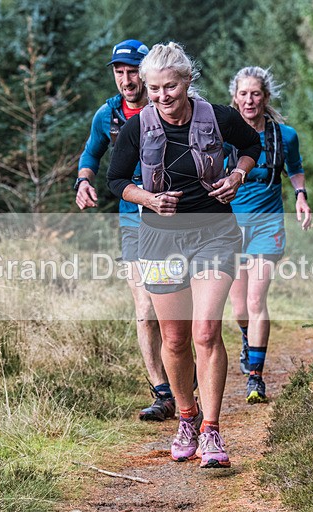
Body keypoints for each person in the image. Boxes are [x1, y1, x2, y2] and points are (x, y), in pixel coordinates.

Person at [106, 42, 261, 468]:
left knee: (206, 332)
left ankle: (212, 431)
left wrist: (237, 174)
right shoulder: (139, 127)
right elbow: (116, 179)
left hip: (214, 232)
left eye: (169, 86)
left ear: (187, 81)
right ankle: (187, 418)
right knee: (174, 339)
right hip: (159, 237)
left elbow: (252, 145)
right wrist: (149, 200)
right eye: (153, 88)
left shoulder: (219, 116)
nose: (160, 96)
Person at [75, 39, 174, 422]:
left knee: (174, 311)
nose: (126, 79)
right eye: (119, 72)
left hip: (173, 217)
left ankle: (182, 371)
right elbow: (91, 154)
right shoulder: (108, 114)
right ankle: (162, 392)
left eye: (132, 71)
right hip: (132, 220)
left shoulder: (166, 106)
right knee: (145, 308)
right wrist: (83, 182)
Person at [226, 66, 312, 404]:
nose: (250, 100)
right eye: (244, 94)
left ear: (266, 97)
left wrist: (301, 197)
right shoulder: (223, 133)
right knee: (238, 310)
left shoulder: (284, 135)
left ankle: (255, 377)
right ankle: (249, 340)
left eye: (256, 93)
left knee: (255, 300)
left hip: (267, 225)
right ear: (235, 97)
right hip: (230, 227)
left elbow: (296, 168)